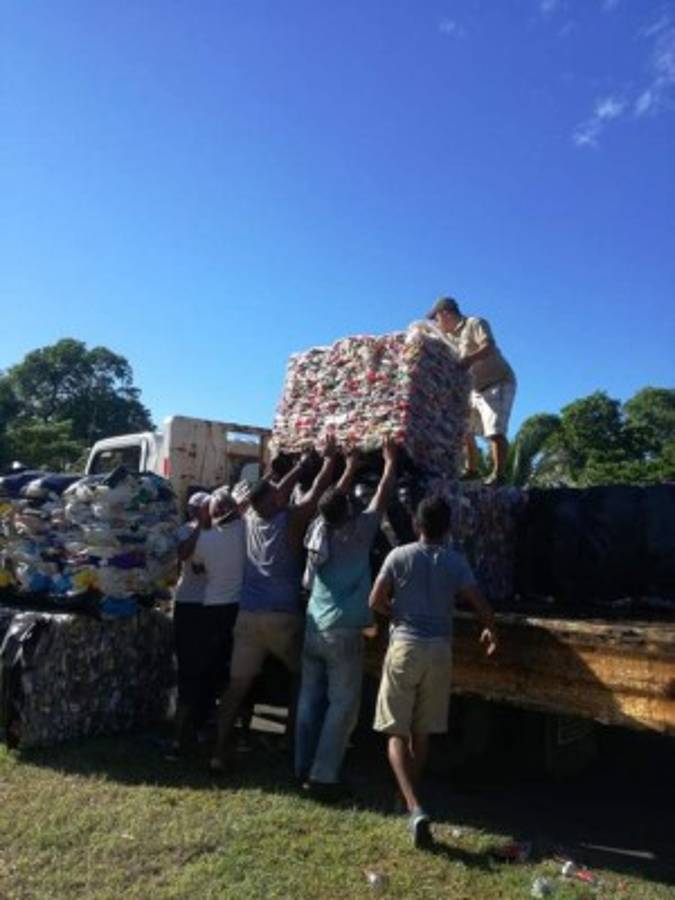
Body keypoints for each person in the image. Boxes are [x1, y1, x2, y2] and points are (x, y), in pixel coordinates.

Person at [369, 495, 497, 849]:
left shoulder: (399, 556)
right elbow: (480, 604)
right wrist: (491, 630)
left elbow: (374, 601)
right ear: (448, 528)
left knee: (395, 731)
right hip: (440, 650)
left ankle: (412, 806)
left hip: (405, 646)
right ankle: (409, 801)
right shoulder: (455, 562)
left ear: (416, 525)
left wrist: (394, 612)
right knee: (421, 733)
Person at [210, 438, 338, 771]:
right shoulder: (291, 520)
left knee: (237, 685)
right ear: (272, 499)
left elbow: (274, 491)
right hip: (282, 617)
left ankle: (218, 751)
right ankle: (291, 742)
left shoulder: (248, 519)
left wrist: (296, 465)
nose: (280, 493)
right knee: (303, 676)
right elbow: (319, 490)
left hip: (248, 617)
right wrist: (328, 460)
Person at [295, 438, 398, 800]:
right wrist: (388, 461)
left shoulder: (317, 531)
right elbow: (382, 495)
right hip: (341, 632)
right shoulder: (358, 533)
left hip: (313, 627)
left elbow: (331, 503)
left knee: (309, 701)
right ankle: (324, 777)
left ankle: (301, 767)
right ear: (349, 511)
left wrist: (348, 467)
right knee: (342, 705)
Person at [427, 296, 516, 484]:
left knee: (495, 430)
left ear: (445, 313)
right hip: (473, 388)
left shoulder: (474, 323)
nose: (436, 323)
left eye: (436, 318)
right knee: (464, 428)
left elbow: (489, 347)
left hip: (497, 382)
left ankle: (499, 474)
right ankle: (472, 470)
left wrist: (468, 360)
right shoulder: (448, 338)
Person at [172, 491, 211, 753]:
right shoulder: (185, 531)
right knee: (187, 662)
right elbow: (183, 555)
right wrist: (198, 530)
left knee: (206, 663)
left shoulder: (219, 532)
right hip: (187, 602)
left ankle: (200, 720)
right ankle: (183, 724)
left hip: (208, 603)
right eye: (202, 508)